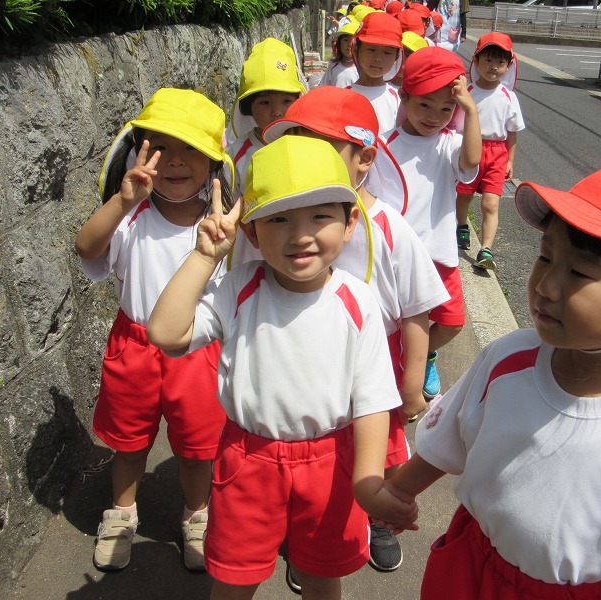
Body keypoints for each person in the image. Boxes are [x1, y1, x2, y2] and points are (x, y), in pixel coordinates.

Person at [382, 161, 601, 599]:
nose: (545, 286)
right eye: (545, 257)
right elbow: (449, 437)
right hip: (470, 562)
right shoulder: (509, 359)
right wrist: (397, 493)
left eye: (579, 273)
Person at [147, 135, 417, 600]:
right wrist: (205, 256)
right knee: (235, 577)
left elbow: (373, 400)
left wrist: (368, 482)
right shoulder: (239, 288)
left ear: (350, 222)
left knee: (321, 576)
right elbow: (166, 332)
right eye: (278, 219)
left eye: (320, 215)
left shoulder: (357, 300)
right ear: (251, 233)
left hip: (331, 461)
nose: (300, 234)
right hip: (247, 460)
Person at [264, 85, 450, 574]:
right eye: (297, 146)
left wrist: (412, 383)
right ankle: (310, 531)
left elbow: (416, 311)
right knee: (316, 450)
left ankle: (378, 520)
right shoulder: (281, 223)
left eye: (321, 148)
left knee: (381, 451)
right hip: (305, 357)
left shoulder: (389, 227)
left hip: (377, 364)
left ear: (364, 157)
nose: (305, 161)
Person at [74, 88, 232, 572]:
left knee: (198, 448)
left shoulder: (221, 227)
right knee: (128, 441)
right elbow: (86, 248)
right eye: (162, 147)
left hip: (198, 349)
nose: (176, 160)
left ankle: (197, 515)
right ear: (139, 152)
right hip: (134, 346)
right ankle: (122, 513)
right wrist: (123, 200)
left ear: (214, 161)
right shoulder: (131, 217)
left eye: (191, 149)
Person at [383, 46, 482, 399]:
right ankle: (401, 363)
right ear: (404, 96)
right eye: (425, 104)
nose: (435, 116)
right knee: (401, 320)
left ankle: (422, 355)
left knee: (452, 321)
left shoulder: (448, 144)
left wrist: (471, 110)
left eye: (446, 108)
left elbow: (472, 161)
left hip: (439, 255)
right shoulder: (384, 144)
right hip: (398, 258)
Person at [456, 32, 525, 271]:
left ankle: (486, 249)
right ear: (476, 61)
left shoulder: (508, 97)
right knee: (463, 196)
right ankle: (461, 225)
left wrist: (510, 160)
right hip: (469, 148)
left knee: (490, 204)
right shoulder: (468, 92)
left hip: (497, 154)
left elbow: (512, 132)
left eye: (500, 61)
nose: (493, 66)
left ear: (508, 65)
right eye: (488, 60)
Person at [227, 37, 307, 198]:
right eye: (265, 102)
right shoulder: (238, 154)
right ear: (248, 107)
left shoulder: (309, 144)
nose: (277, 112)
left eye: (286, 101)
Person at [350, 11, 404, 133]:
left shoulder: (399, 99)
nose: (378, 58)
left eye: (387, 53)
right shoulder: (343, 96)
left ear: (396, 57)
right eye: (371, 49)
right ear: (356, 50)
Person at [319, 19, 361, 88]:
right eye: (345, 40)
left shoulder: (361, 70)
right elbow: (322, 88)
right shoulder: (333, 67)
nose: (349, 44)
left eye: (353, 41)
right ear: (339, 44)